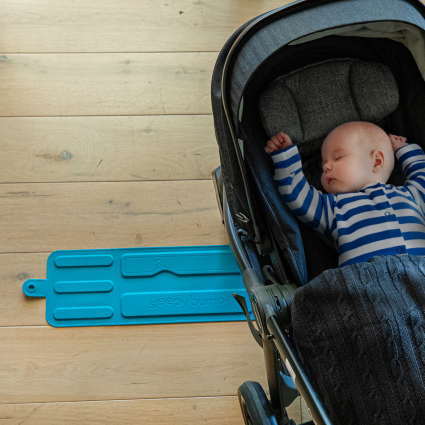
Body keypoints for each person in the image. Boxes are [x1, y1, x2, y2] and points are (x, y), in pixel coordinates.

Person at [265, 121, 425, 267]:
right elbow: (298, 196)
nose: (326, 167)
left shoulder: (410, 195)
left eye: (338, 157)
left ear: (376, 161)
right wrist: (286, 157)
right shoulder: (332, 207)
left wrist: (405, 150)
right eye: (323, 164)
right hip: (369, 283)